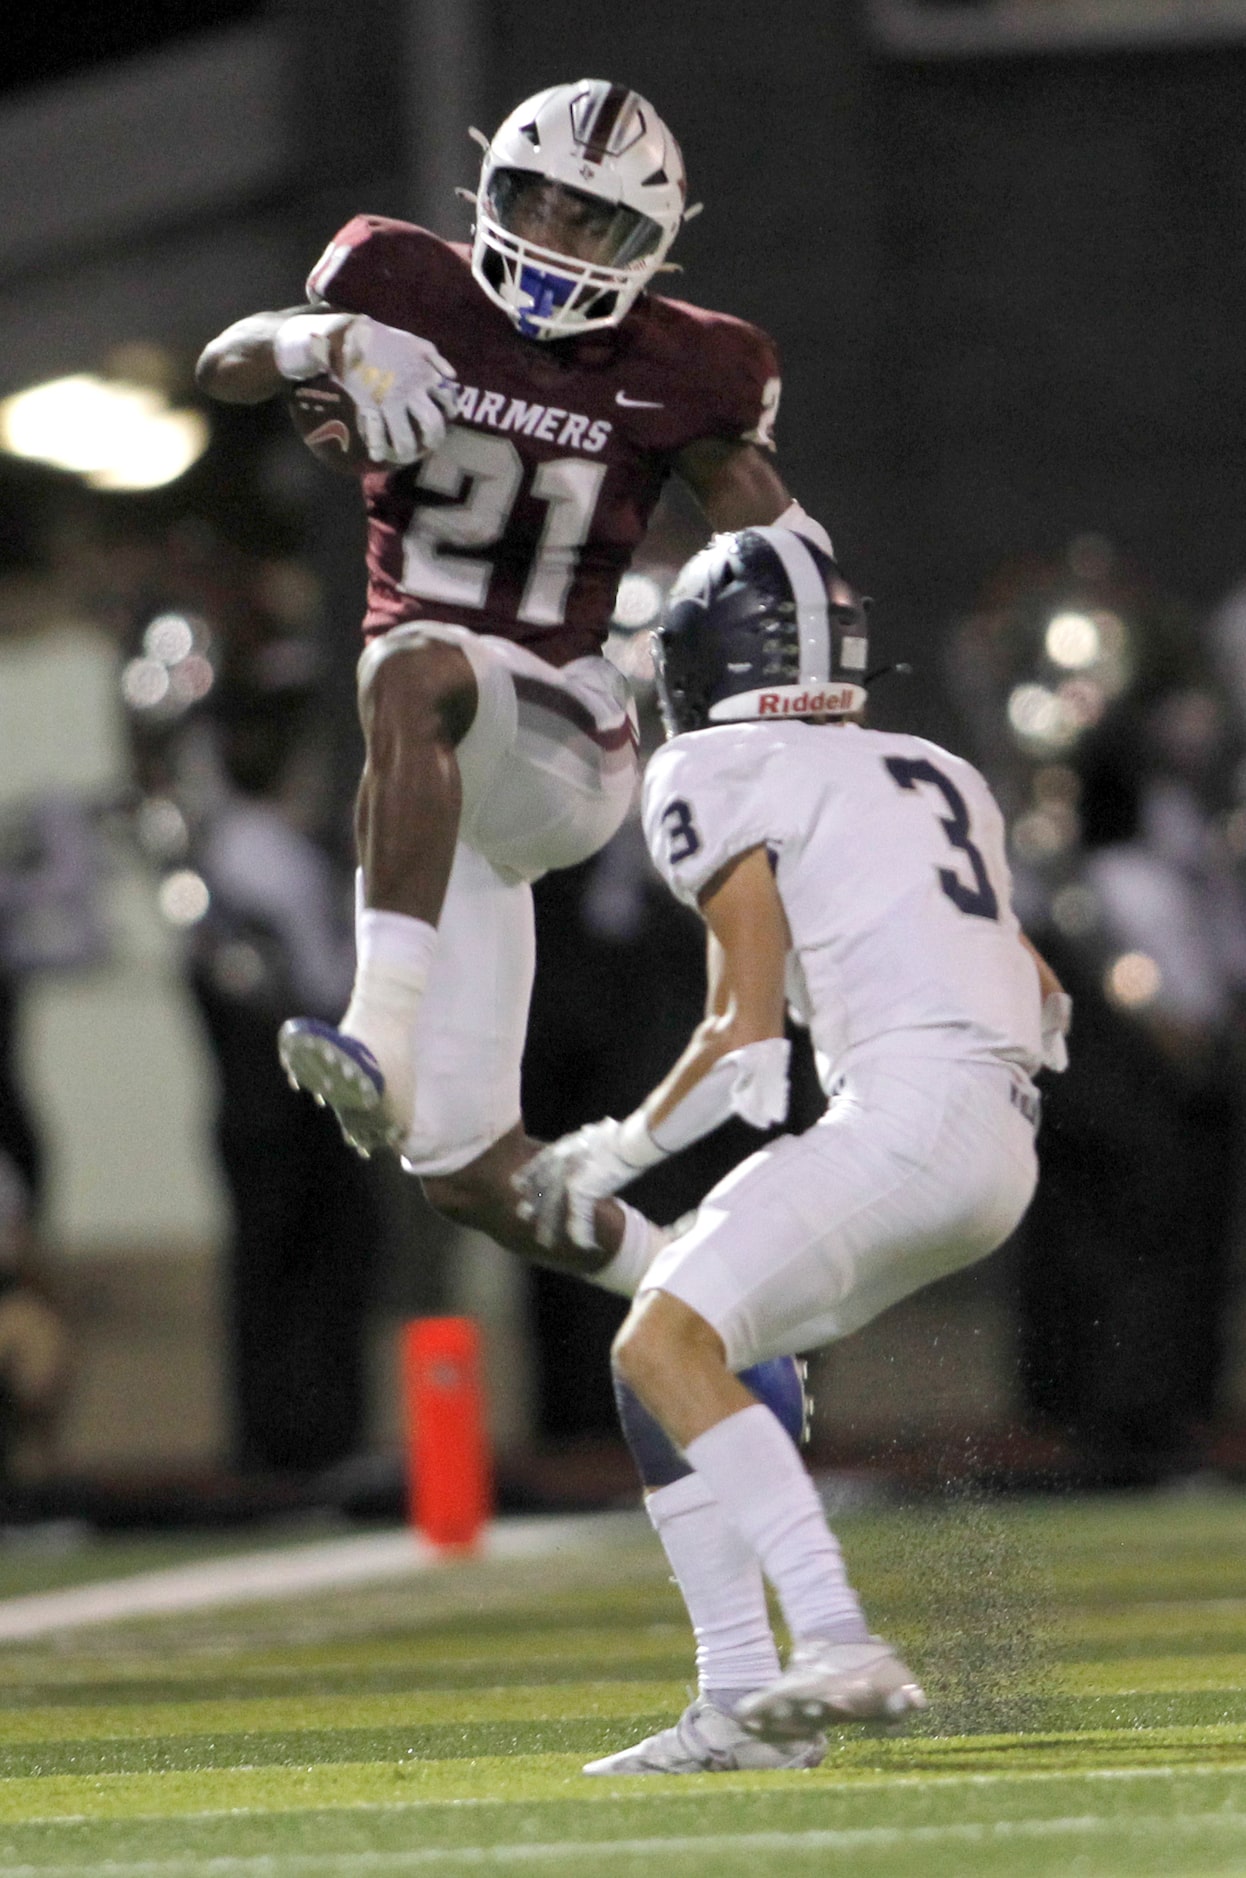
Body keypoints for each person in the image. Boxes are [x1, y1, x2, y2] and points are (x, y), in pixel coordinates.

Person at [195, 79, 832, 1280]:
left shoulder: (684, 367)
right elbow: (223, 363)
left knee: (414, 667)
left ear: (650, 246)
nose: (552, 241)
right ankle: (712, 1300)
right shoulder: (403, 284)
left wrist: (813, 688)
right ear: (489, 194)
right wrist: (315, 338)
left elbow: (784, 551)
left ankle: (374, 1021)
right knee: (467, 1174)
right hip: (446, 792)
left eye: (591, 222)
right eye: (534, 204)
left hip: (565, 737)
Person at [515, 524, 1071, 1772]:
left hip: (910, 1117)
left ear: (699, 657)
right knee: (671, 1341)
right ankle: (738, 1703)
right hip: (997, 1132)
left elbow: (740, 1038)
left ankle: (835, 1637)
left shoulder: (711, 766)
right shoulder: (932, 765)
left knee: (662, 1337)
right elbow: (1038, 990)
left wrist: (600, 1157)